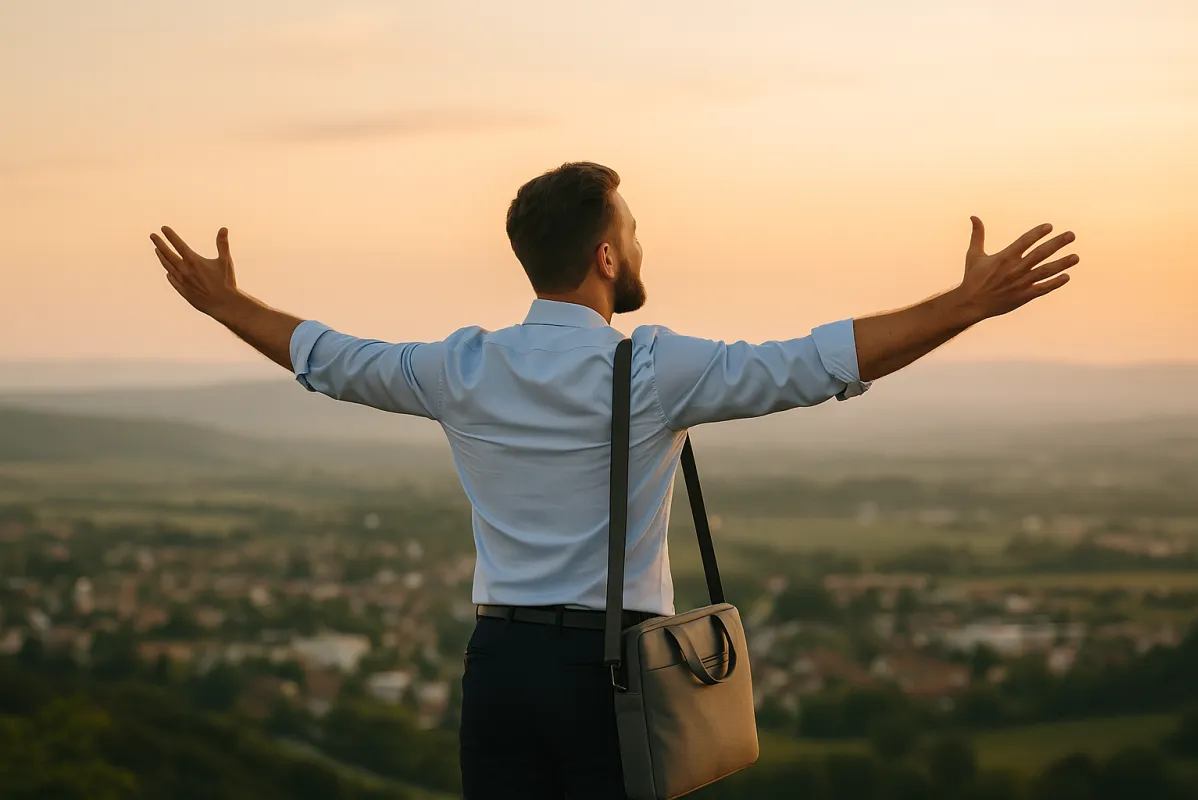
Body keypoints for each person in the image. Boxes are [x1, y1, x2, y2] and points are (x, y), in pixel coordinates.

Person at [150, 161, 1078, 798]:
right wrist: (968, 305)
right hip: (617, 671)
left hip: (499, 668)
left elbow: (325, 356)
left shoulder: (459, 367)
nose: (639, 247)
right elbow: (818, 361)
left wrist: (226, 303)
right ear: (604, 257)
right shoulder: (657, 368)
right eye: (631, 233)